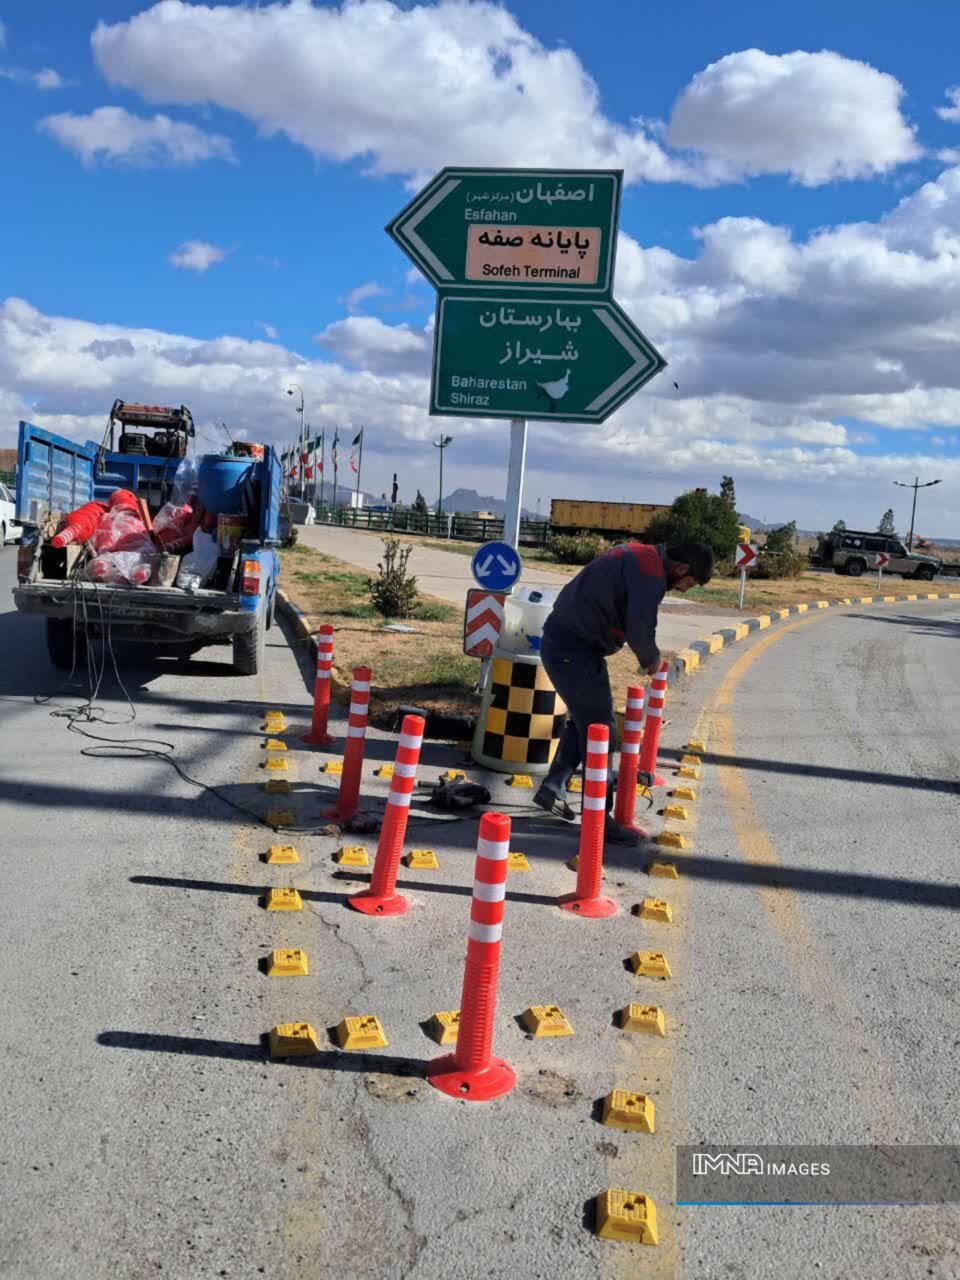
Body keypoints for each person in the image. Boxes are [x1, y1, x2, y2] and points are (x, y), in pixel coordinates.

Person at [534, 539, 715, 845]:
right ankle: (599, 821)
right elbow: (640, 629)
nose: (686, 589)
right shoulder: (650, 574)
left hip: (570, 645)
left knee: (587, 721)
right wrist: (654, 661)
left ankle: (553, 788)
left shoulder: (639, 555)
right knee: (601, 731)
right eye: (690, 582)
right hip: (572, 649)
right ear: (682, 568)